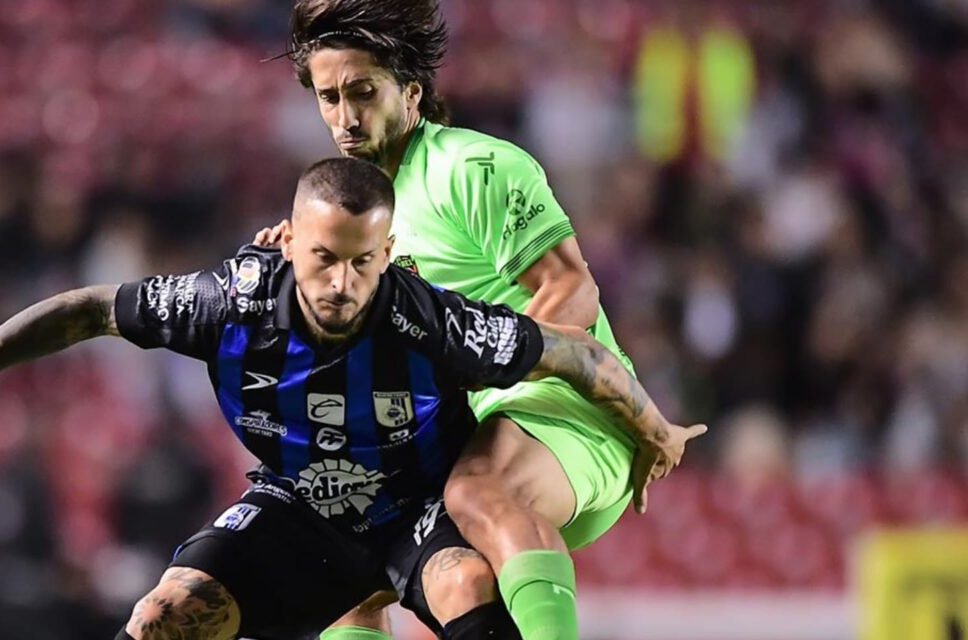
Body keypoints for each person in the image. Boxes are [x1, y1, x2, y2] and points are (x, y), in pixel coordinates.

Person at [0, 158, 703, 639]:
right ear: (290, 240)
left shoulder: (432, 320)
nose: (341, 284)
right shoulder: (226, 301)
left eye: (361, 263)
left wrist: (652, 425)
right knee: (165, 615)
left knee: (462, 587)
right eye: (321, 259)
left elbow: (571, 353)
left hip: (415, 507)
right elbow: (92, 308)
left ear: (388, 255)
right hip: (301, 506)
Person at [254, 2, 703, 638]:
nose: (346, 118)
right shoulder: (345, 215)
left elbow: (571, 287)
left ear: (410, 91)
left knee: (478, 487)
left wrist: (501, 367)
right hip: (452, 433)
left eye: (362, 92)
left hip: (564, 408)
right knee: (342, 565)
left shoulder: (470, 167)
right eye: (329, 98)